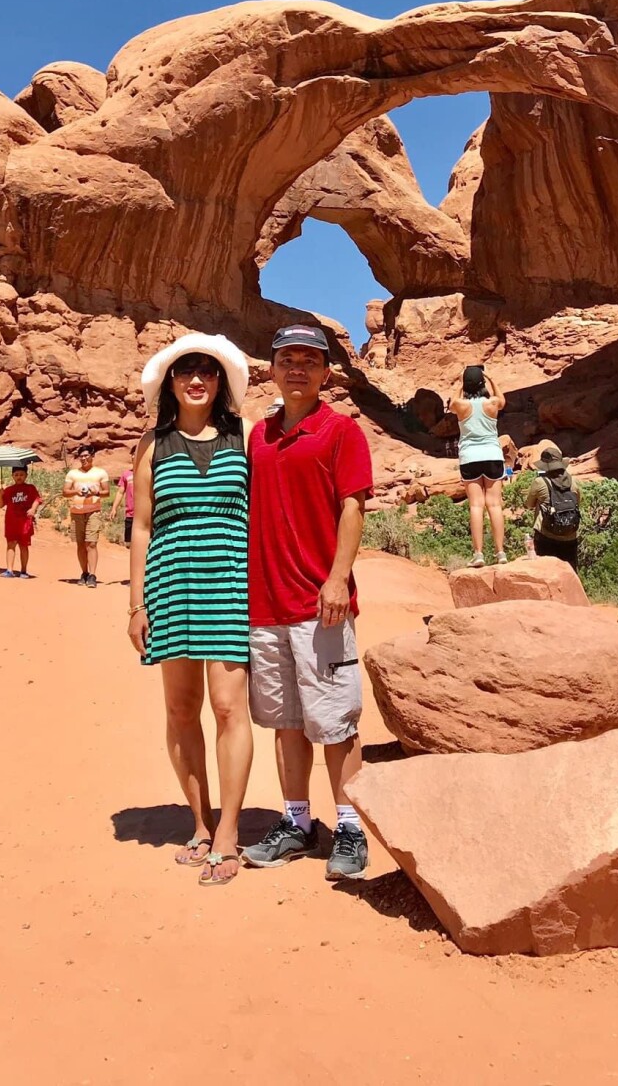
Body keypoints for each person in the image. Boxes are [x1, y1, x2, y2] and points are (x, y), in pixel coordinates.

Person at [241, 323, 374, 883]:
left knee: (335, 720)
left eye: (309, 360)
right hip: (265, 604)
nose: (298, 368)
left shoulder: (341, 431)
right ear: (271, 368)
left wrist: (338, 577)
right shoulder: (259, 436)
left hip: (321, 603)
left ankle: (350, 825)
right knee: (286, 721)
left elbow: (353, 506)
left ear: (325, 374)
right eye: (287, 358)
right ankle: (297, 821)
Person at [128, 334, 254, 887]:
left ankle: (228, 834)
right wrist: (136, 604)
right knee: (182, 710)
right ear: (170, 383)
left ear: (221, 381)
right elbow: (141, 526)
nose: (196, 378)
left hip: (230, 586)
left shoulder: (243, 436)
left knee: (229, 708)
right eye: (186, 371)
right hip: (170, 586)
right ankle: (200, 825)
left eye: (207, 370)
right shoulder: (152, 445)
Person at [449, 364, 508, 567]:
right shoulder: (492, 403)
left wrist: (459, 383)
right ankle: (500, 553)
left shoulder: (461, 406)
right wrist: (491, 378)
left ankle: (478, 554)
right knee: (494, 505)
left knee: (476, 505)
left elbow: (451, 403)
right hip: (492, 455)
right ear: (483, 383)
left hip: (470, 457)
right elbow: (502, 400)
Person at [525, 444, 582, 569]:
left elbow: (529, 505)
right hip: (570, 536)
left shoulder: (540, 482)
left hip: (546, 536)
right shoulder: (574, 482)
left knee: (545, 573)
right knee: (570, 573)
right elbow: (578, 502)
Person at [62, 443, 110, 587]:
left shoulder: (100, 473)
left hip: (93, 511)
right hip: (76, 512)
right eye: (81, 456)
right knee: (81, 545)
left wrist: (95, 492)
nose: (83, 459)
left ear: (92, 456)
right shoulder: (72, 474)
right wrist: (76, 492)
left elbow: (106, 492)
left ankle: (93, 575)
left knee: (92, 543)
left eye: (86, 456)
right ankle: (84, 573)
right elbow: (65, 492)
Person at [0, 464, 40, 577]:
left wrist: (33, 509)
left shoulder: (30, 488)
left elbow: (37, 499)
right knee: (10, 544)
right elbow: (0, 505)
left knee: (23, 546)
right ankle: (9, 570)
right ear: (12, 476)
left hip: (25, 522)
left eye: (21, 474)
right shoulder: (9, 490)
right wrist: (0, 495)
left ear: (26, 475)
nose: (19, 477)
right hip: (11, 522)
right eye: (16, 475)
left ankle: (23, 571)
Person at [111, 447, 137, 545]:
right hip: (130, 514)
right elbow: (120, 492)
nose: (134, 456)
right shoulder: (126, 474)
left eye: (137, 453)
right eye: (133, 454)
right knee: (129, 544)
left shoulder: (149, 472)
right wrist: (114, 508)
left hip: (145, 515)